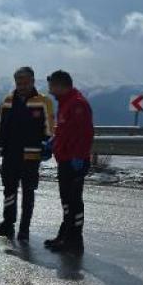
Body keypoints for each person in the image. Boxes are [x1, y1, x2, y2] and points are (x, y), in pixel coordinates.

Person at [0, 66, 54, 241]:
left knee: (28, 192)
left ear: (33, 81)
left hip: (31, 156)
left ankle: (24, 228)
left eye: (25, 82)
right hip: (10, 154)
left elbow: (50, 127)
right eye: (19, 82)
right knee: (9, 191)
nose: (22, 86)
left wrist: (47, 145)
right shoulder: (7, 101)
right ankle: (7, 224)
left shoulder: (43, 101)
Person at [44, 70, 94, 253]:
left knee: (74, 202)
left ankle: (74, 239)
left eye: (51, 87)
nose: (50, 91)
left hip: (74, 161)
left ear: (60, 86)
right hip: (64, 160)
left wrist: (79, 157)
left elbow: (85, 134)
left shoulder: (78, 104)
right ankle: (64, 235)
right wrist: (52, 143)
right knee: (66, 201)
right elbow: (64, 131)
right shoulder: (65, 104)